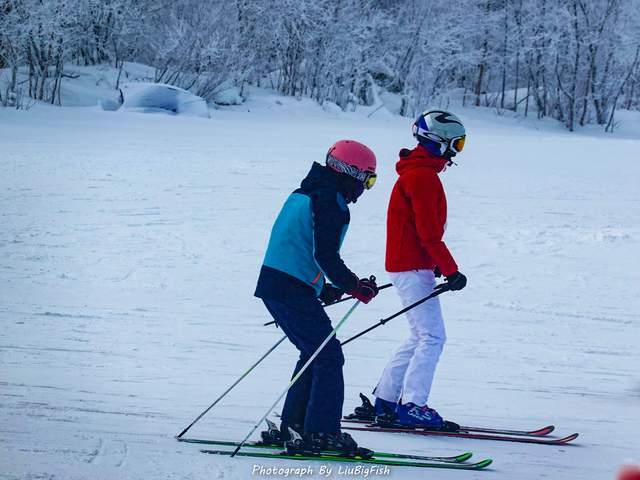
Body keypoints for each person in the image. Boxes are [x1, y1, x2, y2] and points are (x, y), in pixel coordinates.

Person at [255, 140, 380, 454]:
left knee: (314, 354)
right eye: (368, 179)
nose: (365, 188)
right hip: (288, 288)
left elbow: (298, 247)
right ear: (349, 172)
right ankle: (322, 432)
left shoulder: (307, 192)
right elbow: (324, 254)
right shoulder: (330, 200)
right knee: (328, 356)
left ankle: (294, 428)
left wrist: (322, 288)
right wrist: (354, 286)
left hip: (280, 284)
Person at [370, 110, 467, 429]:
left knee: (419, 334)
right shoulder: (423, 177)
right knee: (433, 337)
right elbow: (428, 233)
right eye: (457, 143)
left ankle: (385, 399)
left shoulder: (419, 174)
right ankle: (413, 404)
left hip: (409, 264)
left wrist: (437, 263)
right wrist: (451, 270)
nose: (456, 151)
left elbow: (421, 230)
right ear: (439, 142)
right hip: (410, 266)